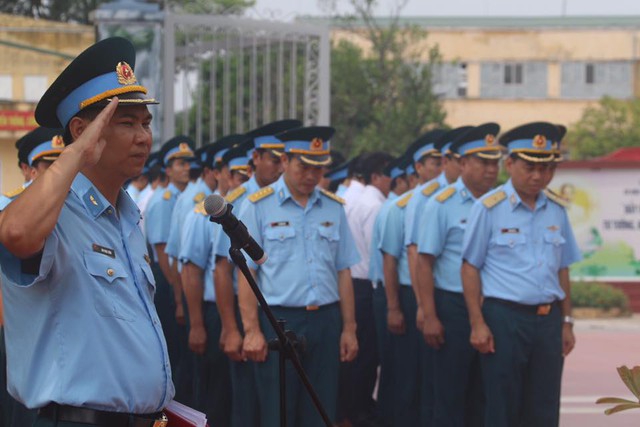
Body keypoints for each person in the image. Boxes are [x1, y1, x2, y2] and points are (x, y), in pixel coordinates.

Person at [0, 37, 173, 427]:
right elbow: (16, 234)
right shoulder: (45, 210)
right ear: (82, 131)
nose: (144, 136)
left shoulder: (127, 217)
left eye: (146, 123)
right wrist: (75, 154)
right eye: (126, 123)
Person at [461, 122, 582, 427]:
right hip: (505, 318)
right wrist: (477, 323)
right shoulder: (488, 208)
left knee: (544, 405)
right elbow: (469, 267)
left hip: (547, 321)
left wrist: (566, 321)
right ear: (510, 164)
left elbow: (562, 268)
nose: (538, 176)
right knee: (502, 403)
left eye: (547, 169)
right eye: (530, 167)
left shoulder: (557, 210)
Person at [238, 126, 359, 427]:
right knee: (278, 410)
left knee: (321, 408)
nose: (311, 175)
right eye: (304, 166)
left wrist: (349, 328)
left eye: (318, 168)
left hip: (325, 321)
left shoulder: (333, 208)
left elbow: (344, 271)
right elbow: (245, 274)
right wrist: (251, 330)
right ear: (285, 162)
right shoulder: (258, 206)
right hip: (279, 321)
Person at [416, 123, 502, 426]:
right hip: (452, 308)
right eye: (483, 162)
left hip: (493, 307)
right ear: (463, 163)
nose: (491, 170)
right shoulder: (441, 204)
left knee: (487, 395)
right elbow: (424, 262)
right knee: (450, 395)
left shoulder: (501, 203)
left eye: (495, 163)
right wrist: (429, 314)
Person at [0, 127, 65, 427]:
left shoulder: (74, 208)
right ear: (27, 170)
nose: (57, 172)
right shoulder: (7, 208)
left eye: (62, 162)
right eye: (48, 165)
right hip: (14, 327)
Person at [179, 135, 241, 425]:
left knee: (240, 395)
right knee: (216, 395)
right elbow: (191, 271)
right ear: (217, 174)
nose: (240, 178)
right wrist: (197, 325)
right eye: (233, 172)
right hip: (215, 312)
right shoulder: (200, 214)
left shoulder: (248, 207)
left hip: (246, 308)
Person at [340, 151, 393, 426]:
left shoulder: (361, 200)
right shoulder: (374, 205)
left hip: (356, 283)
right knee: (366, 354)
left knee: (361, 354)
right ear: (376, 176)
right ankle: (359, 409)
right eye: (388, 175)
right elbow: (378, 251)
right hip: (364, 285)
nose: (392, 181)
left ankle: (353, 407)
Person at [144, 135, 195, 403]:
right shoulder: (164, 200)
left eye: (188, 162)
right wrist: (178, 296)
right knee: (175, 351)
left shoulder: (187, 197)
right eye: (179, 163)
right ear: (167, 168)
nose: (185, 167)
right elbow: (163, 254)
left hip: (181, 281)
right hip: (168, 282)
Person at [368, 154, 411, 425]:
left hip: (391, 293)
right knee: (397, 371)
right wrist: (394, 307)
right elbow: (389, 259)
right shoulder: (395, 208)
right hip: (389, 294)